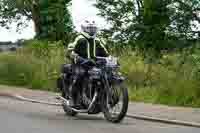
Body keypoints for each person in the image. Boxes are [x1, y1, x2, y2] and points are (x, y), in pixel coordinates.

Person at [66, 19, 109, 106]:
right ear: (84, 29)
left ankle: (97, 97)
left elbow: (105, 53)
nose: (91, 30)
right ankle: (72, 98)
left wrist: (109, 58)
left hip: (93, 64)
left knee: (103, 75)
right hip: (79, 64)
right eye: (89, 28)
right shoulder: (79, 38)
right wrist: (77, 57)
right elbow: (70, 51)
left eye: (93, 28)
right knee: (80, 74)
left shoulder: (97, 40)